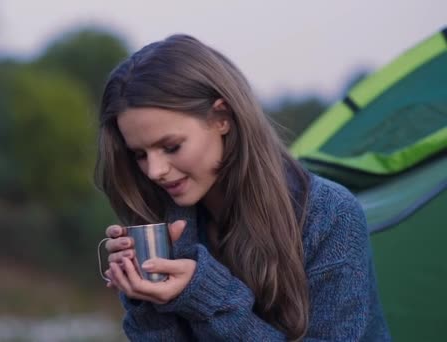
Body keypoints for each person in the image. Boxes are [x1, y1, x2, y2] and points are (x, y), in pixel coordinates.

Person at [95, 34, 391, 341]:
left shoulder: (329, 215)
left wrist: (206, 294)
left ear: (222, 118)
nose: (154, 171)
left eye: (171, 146)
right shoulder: (167, 223)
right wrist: (146, 298)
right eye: (140, 155)